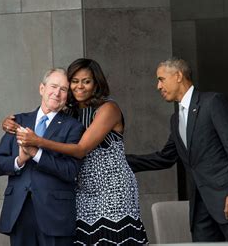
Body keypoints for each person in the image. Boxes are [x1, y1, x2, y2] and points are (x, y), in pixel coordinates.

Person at [8, 58, 148, 245]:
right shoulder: (69, 113)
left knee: (113, 238)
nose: (79, 86)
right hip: (82, 190)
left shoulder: (108, 108)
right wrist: (9, 121)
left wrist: (39, 142)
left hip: (113, 189)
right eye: (74, 81)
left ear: (96, 84)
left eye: (86, 81)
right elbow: (41, 117)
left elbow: (81, 150)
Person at [125, 57, 228, 241]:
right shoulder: (176, 119)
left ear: (178, 75)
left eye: (161, 79)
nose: (158, 86)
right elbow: (165, 157)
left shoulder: (212, 102)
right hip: (200, 207)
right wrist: (120, 161)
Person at [0, 68, 85, 246]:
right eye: (53, 86)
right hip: (19, 213)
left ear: (67, 96)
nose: (57, 93)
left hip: (55, 215)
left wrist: (36, 153)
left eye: (63, 89)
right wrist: (19, 160)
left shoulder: (73, 127)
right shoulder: (17, 121)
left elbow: (70, 171)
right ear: (42, 89)